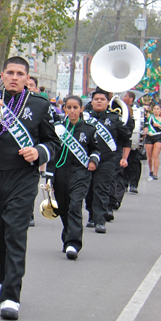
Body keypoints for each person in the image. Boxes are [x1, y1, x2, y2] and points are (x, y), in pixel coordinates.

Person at [0, 56, 60, 320]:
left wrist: (38, 152)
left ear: (27, 78)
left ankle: (11, 295)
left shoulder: (40, 105)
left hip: (22, 177)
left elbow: (54, 142)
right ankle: (4, 280)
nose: (15, 77)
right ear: (2, 76)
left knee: (15, 233)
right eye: (10, 73)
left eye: (20, 74)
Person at [51, 95, 100, 260]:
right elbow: (52, 150)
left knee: (75, 206)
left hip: (80, 173)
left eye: (75, 108)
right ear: (64, 109)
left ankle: (74, 243)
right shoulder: (57, 129)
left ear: (81, 109)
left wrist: (93, 160)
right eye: (69, 107)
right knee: (63, 207)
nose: (72, 111)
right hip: (60, 172)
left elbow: (95, 149)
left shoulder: (89, 129)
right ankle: (68, 234)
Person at [83, 88, 130, 232]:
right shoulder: (84, 117)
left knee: (102, 189)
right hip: (87, 160)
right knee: (89, 190)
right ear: (92, 101)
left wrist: (124, 158)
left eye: (102, 99)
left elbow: (126, 138)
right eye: (96, 99)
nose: (99, 101)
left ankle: (100, 220)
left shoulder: (114, 118)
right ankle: (91, 214)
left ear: (108, 102)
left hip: (107, 160)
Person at [144, 103, 161, 180]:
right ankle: (151, 171)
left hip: (158, 136)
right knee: (149, 156)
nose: (156, 110)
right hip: (149, 136)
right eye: (154, 109)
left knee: (156, 155)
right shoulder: (150, 116)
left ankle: (155, 173)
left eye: (157, 109)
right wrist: (145, 107)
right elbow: (144, 111)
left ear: (160, 111)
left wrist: (159, 125)